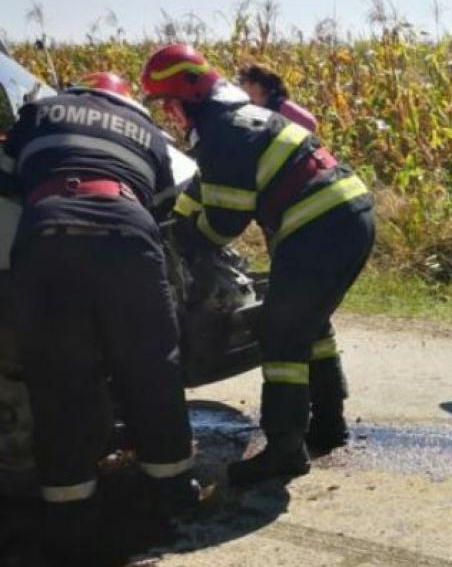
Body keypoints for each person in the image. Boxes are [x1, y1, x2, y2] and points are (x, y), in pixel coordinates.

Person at [142, 45, 374, 484]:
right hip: (347, 216)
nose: (169, 114)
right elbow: (204, 185)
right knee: (311, 324)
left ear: (191, 97)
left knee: (281, 333)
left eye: (169, 103)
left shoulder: (223, 133)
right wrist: (177, 213)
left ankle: (286, 450)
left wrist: (187, 237)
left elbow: (223, 225)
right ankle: (328, 424)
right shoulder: (236, 121)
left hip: (320, 229)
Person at [0, 71, 200, 557]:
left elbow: (8, 183)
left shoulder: (37, 113)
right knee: (152, 367)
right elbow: (164, 208)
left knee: (59, 378)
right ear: (124, 100)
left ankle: (69, 512)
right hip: (126, 231)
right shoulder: (148, 130)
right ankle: (171, 492)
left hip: (47, 232)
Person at [237, 63, 318, 132]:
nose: (239, 86)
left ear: (257, 86)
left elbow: (310, 123)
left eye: (242, 81)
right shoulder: (249, 108)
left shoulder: (280, 105)